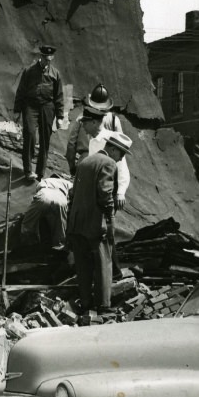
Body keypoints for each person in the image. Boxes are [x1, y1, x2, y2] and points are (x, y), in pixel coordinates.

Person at [66, 131, 132, 315]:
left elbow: (73, 193)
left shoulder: (85, 161)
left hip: (77, 223)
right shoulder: (108, 163)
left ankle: (86, 303)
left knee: (83, 265)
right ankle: (103, 305)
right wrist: (110, 217)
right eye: (121, 153)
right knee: (104, 263)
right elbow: (105, 193)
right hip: (96, 224)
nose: (122, 158)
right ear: (112, 148)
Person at [13, 44, 66, 181]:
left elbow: (59, 95)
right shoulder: (29, 71)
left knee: (45, 139)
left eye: (50, 59)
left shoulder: (55, 74)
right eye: (45, 59)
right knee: (30, 134)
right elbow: (21, 91)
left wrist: (60, 116)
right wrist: (17, 110)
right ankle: (28, 171)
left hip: (47, 107)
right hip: (31, 106)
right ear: (40, 57)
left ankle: (40, 173)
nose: (47, 62)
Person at [66, 83, 123, 175]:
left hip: (85, 162)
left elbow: (71, 144)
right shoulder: (114, 120)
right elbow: (120, 148)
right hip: (105, 166)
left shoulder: (82, 117)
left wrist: (72, 167)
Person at [19, 173, 72, 250]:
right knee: (60, 226)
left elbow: (37, 195)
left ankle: (26, 246)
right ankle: (59, 247)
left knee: (28, 223)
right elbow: (73, 193)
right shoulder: (67, 183)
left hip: (44, 194)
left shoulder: (45, 180)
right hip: (61, 198)